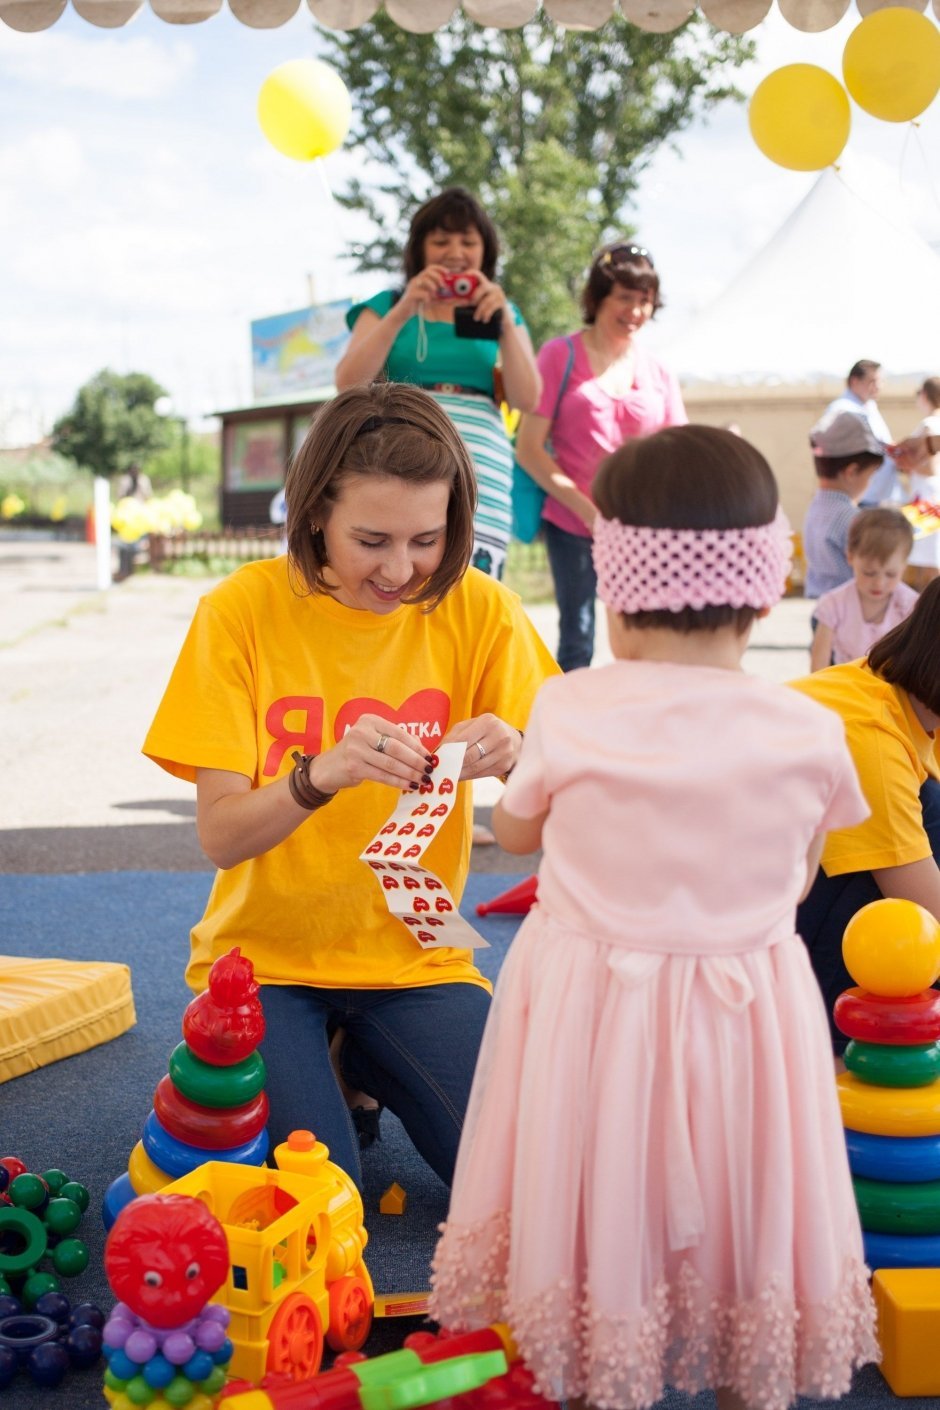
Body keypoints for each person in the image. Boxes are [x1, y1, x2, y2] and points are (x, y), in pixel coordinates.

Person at [430, 425, 877, 1410]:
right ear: (762, 590)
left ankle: (597, 1374)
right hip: (746, 1010)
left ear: (617, 583)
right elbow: (800, 880)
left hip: (596, 1010)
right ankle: (747, 1378)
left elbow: (513, 834)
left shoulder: (570, 708)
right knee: (742, 1195)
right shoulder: (809, 725)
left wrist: (506, 776)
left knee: (593, 1187)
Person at [142, 382, 558, 1188]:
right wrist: (318, 775)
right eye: (371, 539)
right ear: (315, 516)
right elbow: (222, 835)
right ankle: (337, 1061)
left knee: (520, 1179)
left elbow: (574, 800)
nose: (400, 570)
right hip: (266, 962)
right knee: (324, 1194)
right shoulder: (241, 610)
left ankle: (360, 1056)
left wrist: (522, 755)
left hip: (417, 961)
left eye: (427, 539)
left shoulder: (482, 609)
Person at [335, 187, 540, 584]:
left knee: (473, 579)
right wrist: (404, 310)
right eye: (441, 240)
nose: (455, 251)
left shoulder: (502, 311)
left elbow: (528, 398)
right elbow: (348, 383)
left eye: (468, 241)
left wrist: (506, 325)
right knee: (401, 564)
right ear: (420, 249)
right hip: (397, 456)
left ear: (486, 251)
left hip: (482, 461)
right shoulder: (389, 302)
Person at [514, 241, 686, 671]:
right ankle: (570, 731)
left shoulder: (659, 371)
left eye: (645, 300)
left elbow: (679, 454)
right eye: (624, 297)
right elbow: (529, 448)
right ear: (598, 299)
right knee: (579, 637)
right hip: (573, 524)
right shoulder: (559, 355)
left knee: (651, 636)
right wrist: (591, 515)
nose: (636, 310)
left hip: (642, 527)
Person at [793, 580, 940, 1051]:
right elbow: (928, 909)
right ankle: (828, 1040)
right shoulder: (872, 736)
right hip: (741, 923)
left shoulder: (909, 697)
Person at [809, 507, 917, 671]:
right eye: (869, 573)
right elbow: (818, 669)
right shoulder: (833, 604)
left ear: (904, 565)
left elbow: (919, 661)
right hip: (848, 688)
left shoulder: (911, 605)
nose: (879, 583)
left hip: (892, 690)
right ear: (850, 556)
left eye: (891, 574)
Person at [803, 410, 884, 598]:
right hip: (849, 611)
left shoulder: (817, 505)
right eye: (870, 475)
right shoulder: (851, 518)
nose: (870, 483)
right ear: (851, 472)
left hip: (821, 605)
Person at [817, 358, 900, 507]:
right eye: (872, 381)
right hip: (859, 499)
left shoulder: (869, 405)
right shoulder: (841, 410)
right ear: (855, 381)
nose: (878, 386)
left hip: (877, 495)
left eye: (880, 381)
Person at [899, 375, 940, 591]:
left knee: (926, 560)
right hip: (932, 498)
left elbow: (930, 468)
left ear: (924, 395)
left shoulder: (929, 424)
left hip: (925, 499)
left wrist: (906, 462)